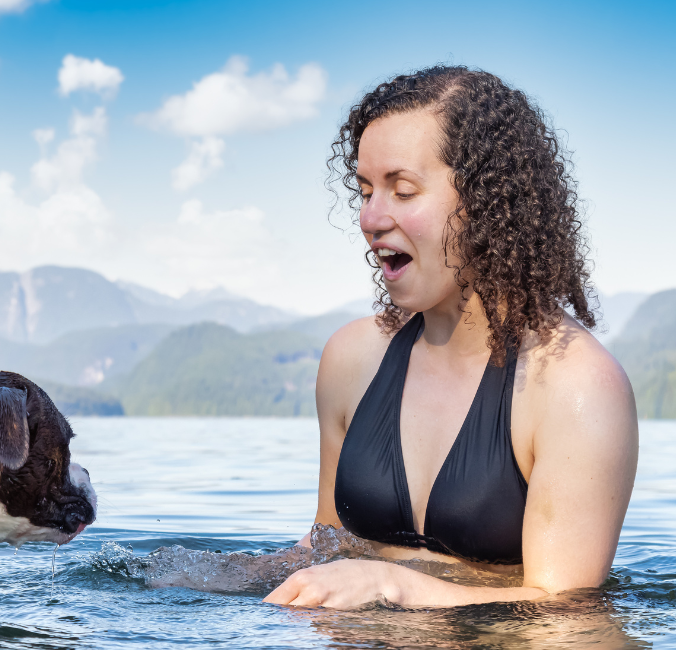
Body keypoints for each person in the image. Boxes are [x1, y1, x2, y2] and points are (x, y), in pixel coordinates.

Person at [264, 66, 638, 609]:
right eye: (366, 191)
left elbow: (571, 624)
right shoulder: (351, 359)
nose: (370, 217)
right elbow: (328, 546)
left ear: (489, 200)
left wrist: (392, 585)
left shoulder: (576, 386)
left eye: (403, 190)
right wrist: (188, 582)